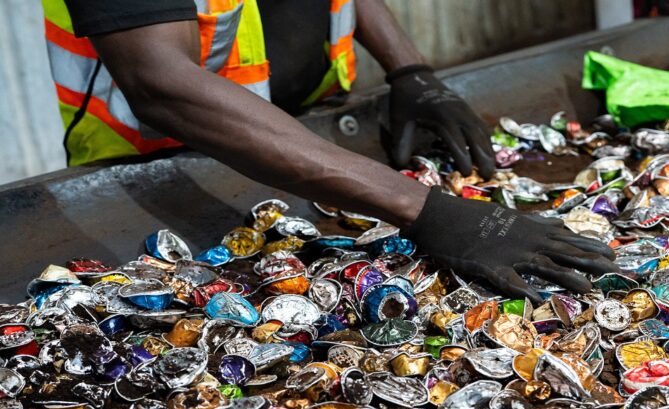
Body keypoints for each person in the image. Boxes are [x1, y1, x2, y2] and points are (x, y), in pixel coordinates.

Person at [41, 0, 620, 302]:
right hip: (162, 167)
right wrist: (422, 207)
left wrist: (411, 71)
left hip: (312, 141)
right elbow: (161, 83)